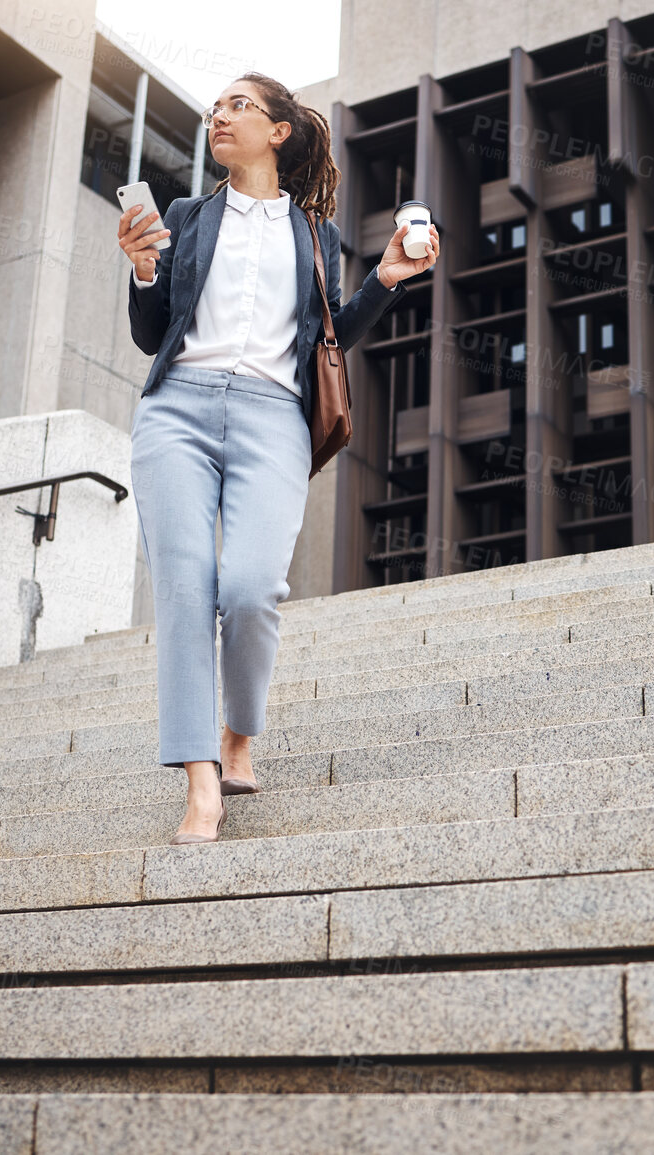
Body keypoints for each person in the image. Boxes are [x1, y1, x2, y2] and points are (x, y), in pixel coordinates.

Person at [117, 72, 438, 845]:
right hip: (177, 410)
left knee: (254, 588)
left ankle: (240, 733)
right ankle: (201, 785)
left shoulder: (315, 234)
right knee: (186, 587)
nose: (217, 117)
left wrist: (387, 279)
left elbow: (327, 340)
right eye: (214, 109)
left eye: (237, 107)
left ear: (279, 131)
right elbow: (149, 330)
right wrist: (143, 268)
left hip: (272, 418)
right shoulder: (188, 216)